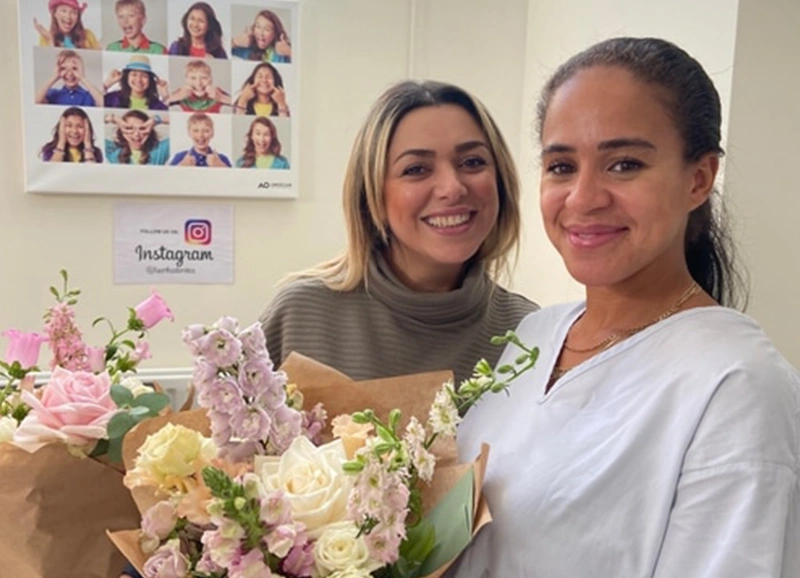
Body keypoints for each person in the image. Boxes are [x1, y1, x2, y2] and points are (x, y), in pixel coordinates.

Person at [451, 37, 800, 577]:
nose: (584, 198)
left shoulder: (736, 386)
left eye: (625, 164)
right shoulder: (536, 335)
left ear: (698, 178)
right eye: (562, 166)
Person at [260, 80, 538, 383]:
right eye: (416, 169)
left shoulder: (529, 331)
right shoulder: (300, 315)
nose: (452, 188)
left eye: (472, 162)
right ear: (372, 194)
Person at [35, 49, 103, 106]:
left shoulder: (89, 95)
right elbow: (37, 101)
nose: (70, 73)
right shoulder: (54, 94)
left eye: (74, 68)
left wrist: (82, 78)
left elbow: (103, 103)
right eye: (63, 68)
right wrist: (55, 76)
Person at [103, 54, 168, 110]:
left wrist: (165, 96)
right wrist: (107, 84)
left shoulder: (157, 105)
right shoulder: (112, 99)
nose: (138, 80)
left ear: (150, 80)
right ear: (127, 77)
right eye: (134, 74)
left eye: (144, 76)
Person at [105, 109, 170, 165]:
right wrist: (113, 118)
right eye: (129, 128)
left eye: (142, 128)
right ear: (122, 132)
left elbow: (180, 124)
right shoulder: (113, 151)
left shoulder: (159, 150)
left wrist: (157, 119)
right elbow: (95, 121)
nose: (136, 134)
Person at [34, 0, 100, 49]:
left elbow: (97, 62)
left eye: (74, 12)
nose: (68, 16)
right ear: (55, 14)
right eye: (63, 11)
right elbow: (48, 65)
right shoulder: (46, 38)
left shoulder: (88, 35)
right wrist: (51, 40)